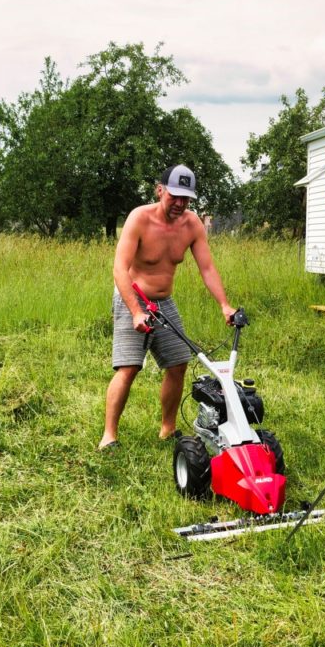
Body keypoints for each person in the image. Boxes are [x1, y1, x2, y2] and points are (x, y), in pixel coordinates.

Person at [98, 164, 235, 450]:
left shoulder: (192, 224)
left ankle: (168, 428)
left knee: (178, 364)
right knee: (128, 367)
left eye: (186, 198)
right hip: (132, 296)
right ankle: (109, 435)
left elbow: (207, 268)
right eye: (175, 196)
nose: (180, 204)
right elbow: (119, 269)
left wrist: (224, 305)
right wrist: (136, 311)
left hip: (164, 303)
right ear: (160, 190)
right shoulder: (139, 218)